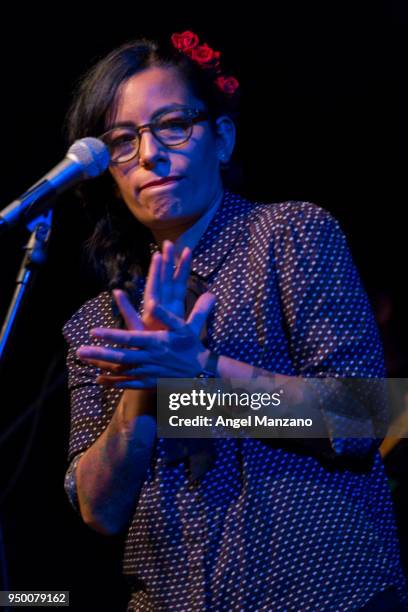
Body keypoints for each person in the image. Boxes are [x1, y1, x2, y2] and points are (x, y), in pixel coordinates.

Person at [62, 31, 408, 611]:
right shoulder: (101, 321)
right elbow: (101, 510)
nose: (149, 154)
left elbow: (366, 416)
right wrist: (142, 391)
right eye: (123, 140)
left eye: (173, 125)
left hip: (324, 593)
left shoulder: (290, 235)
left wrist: (200, 373)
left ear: (221, 139)